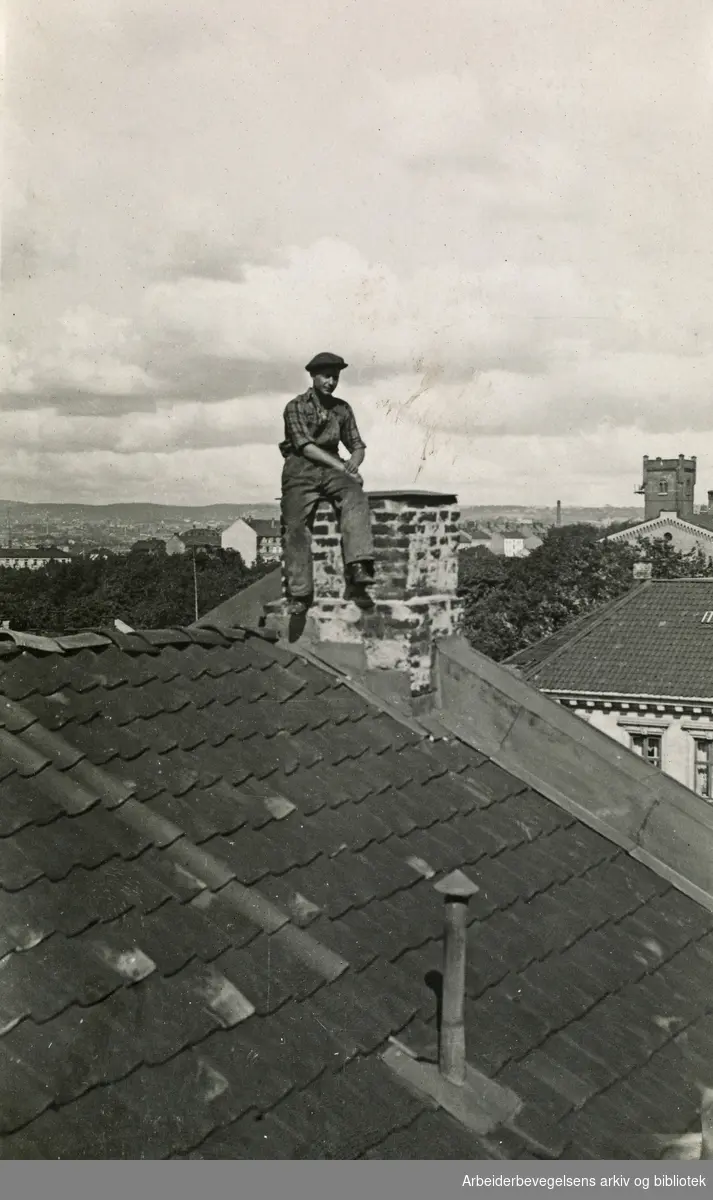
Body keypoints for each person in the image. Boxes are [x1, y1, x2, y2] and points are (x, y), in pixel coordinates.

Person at [279, 352, 375, 616]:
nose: (331, 382)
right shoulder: (295, 406)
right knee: (296, 527)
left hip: (333, 467)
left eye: (335, 377)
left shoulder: (342, 409)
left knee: (355, 495)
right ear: (313, 376)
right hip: (301, 470)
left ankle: (359, 564)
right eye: (326, 376)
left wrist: (354, 464)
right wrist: (344, 467)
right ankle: (299, 594)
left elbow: (357, 445)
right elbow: (305, 447)